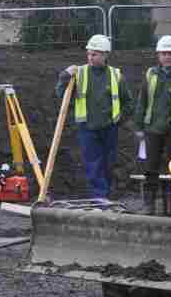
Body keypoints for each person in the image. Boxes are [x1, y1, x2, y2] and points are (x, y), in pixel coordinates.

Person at [57, 34, 135, 199]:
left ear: (105, 55)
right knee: (93, 164)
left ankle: (104, 195)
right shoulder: (80, 73)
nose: (90, 57)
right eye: (89, 54)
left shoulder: (115, 75)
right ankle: (99, 197)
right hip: (87, 127)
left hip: (109, 128)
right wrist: (64, 75)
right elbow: (61, 94)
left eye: (95, 54)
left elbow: (128, 102)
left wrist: (119, 119)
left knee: (108, 163)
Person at [135, 35, 171, 211]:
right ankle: (149, 204)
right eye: (164, 53)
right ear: (159, 55)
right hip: (152, 129)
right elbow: (142, 101)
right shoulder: (150, 75)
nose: (167, 57)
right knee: (151, 167)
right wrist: (139, 127)